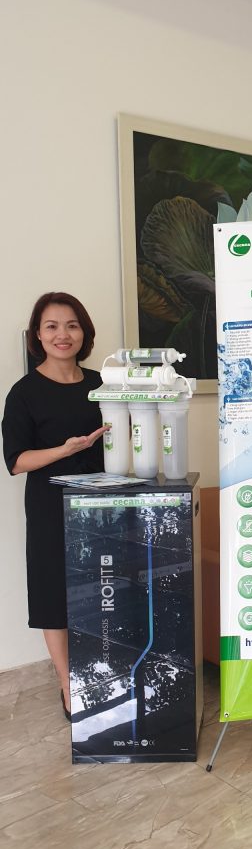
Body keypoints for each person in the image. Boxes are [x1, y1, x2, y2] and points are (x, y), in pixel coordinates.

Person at [2, 292, 106, 720]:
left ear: (84, 333)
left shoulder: (104, 384)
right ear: (38, 336)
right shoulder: (24, 393)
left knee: (105, 587)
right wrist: (64, 450)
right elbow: (15, 461)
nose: (63, 334)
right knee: (54, 593)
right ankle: (67, 683)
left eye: (72, 325)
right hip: (50, 506)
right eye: (52, 326)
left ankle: (108, 667)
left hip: (103, 504)